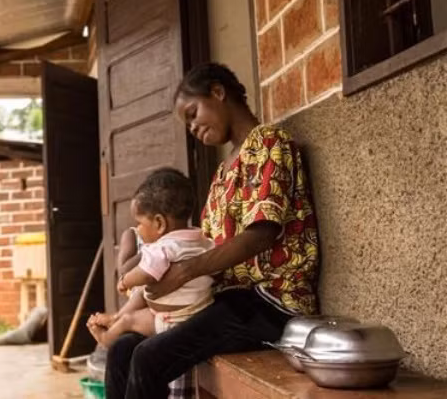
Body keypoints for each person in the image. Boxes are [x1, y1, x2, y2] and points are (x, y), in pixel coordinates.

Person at [104, 63, 320, 399]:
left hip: (269, 301)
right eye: (187, 123)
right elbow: (197, 248)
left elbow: (261, 234)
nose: (192, 127)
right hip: (225, 300)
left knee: (148, 357)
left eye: (193, 113)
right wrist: (127, 311)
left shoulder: (269, 143)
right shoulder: (222, 175)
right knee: (124, 348)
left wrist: (187, 271)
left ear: (218, 93)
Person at [87, 168, 214, 348]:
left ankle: (107, 338)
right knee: (143, 292)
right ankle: (116, 316)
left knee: (130, 319)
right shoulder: (200, 239)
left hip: (174, 320)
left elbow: (145, 273)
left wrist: (125, 281)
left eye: (139, 223)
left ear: (159, 223)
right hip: (200, 312)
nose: (137, 229)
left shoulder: (162, 248)